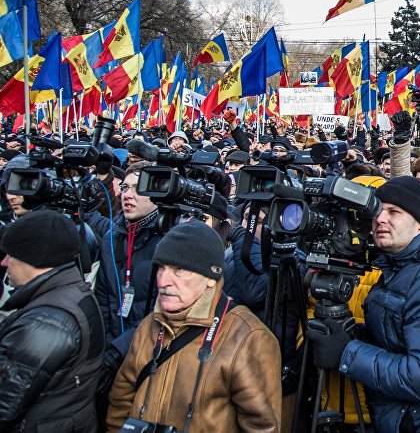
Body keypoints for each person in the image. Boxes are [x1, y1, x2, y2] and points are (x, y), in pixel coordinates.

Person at [305, 176, 420, 432]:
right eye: (378, 210)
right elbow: (400, 335)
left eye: (394, 212)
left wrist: (348, 352)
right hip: (406, 416)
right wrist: (352, 334)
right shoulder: (400, 263)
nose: (380, 219)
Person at [106, 222, 282, 431]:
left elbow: (262, 427)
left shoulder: (248, 338)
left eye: (179, 270)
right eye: (162, 268)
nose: (164, 281)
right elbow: (120, 404)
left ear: (211, 277)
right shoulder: (148, 326)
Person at [0, 211, 105, 432]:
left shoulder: (47, 322)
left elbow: (5, 403)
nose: (4, 262)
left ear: (36, 258)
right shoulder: (73, 292)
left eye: (11, 255)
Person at [94, 161, 166, 389]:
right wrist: (105, 349)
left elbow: (164, 309)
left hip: (153, 357)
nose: (128, 195)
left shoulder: (169, 239)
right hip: (111, 350)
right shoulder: (111, 239)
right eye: (125, 188)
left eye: (138, 188)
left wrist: (121, 350)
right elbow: (103, 300)